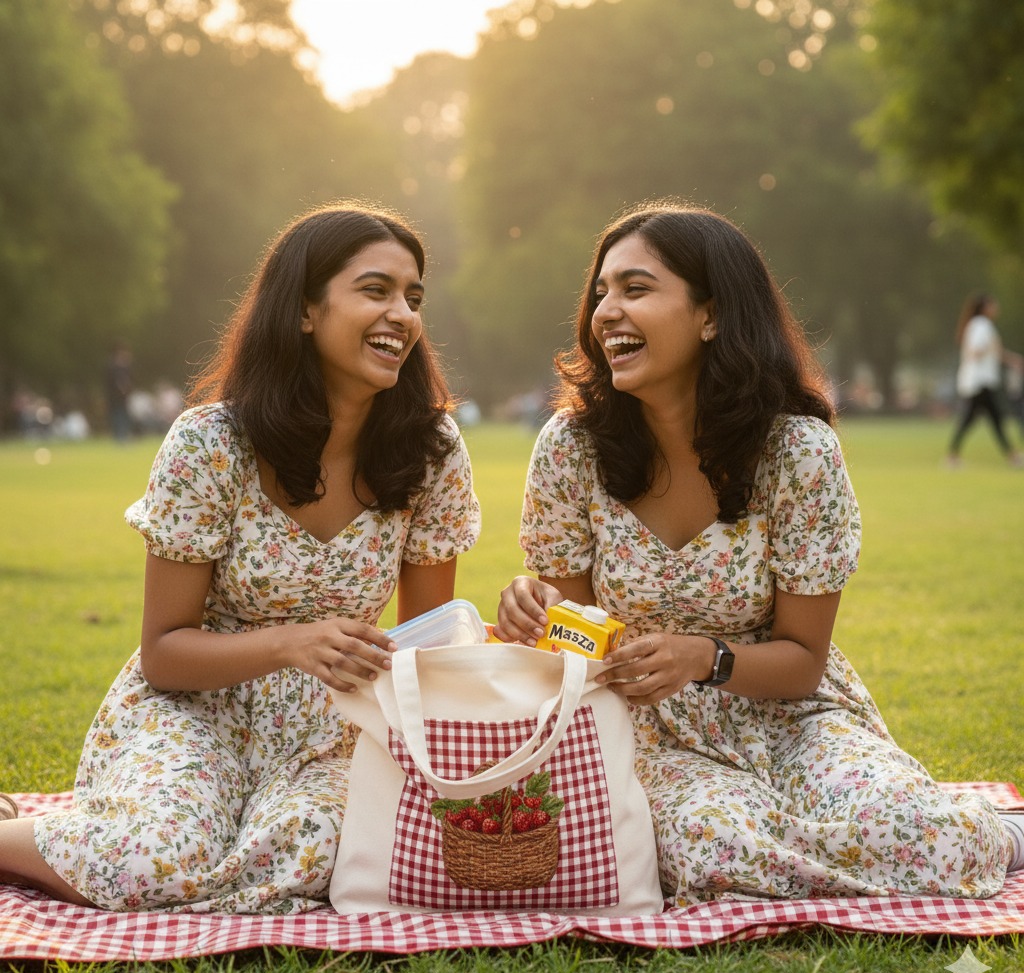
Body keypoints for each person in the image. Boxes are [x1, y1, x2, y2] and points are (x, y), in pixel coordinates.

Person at [496, 202, 1023, 905]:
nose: (606, 312)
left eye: (637, 289)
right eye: (602, 292)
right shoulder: (570, 449)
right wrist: (535, 616)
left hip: (790, 714)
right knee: (716, 846)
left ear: (711, 315)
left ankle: (999, 836)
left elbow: (803, 661)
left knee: (928, 832)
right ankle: (829, 853)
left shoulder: (797, 452)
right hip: (650, 731)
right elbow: (577, 643)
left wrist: (703, 656)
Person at [0, 203, 481, 912]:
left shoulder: (430, 452)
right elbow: (165, 652)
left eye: (413, 299)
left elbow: (426, 646)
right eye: (375, 290)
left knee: (315, 850)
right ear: (305, 310)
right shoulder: (210, 444)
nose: (402, 315)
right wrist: (291, 643)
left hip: (335, 725)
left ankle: (184, 857)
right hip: (195, 709)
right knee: (153, 858)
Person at [947, 292, 1024, 467]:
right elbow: (976, 351)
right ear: (985, 308)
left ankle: (952, 456)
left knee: (976, 419)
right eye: (993, 305)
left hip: (979, 381)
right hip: (980, 381)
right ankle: (1012, 456)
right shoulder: (981, 325)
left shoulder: (978, 325)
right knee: (993, 418)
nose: (996, 308)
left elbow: (995, 353)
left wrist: (1013, 360)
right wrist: (985, 351)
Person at [105, 344, 135, 442]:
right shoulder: (114, 368)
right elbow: (119, 383)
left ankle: (123, 435)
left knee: (122, 416)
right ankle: (120, 436)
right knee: (118, 416)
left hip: (122, 398)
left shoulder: (123, 368)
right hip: (116, 398)